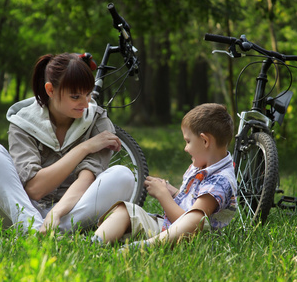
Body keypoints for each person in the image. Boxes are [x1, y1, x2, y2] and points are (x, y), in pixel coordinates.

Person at [0, 52, 134, 235]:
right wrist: (85, 147)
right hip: (22, 210)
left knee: (124, 175)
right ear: (50, 90)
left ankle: (45, 233)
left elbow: (86, 178)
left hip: (69, 212)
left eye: (88, 94)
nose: (85, 103)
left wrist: (56, 213)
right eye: (75, 97)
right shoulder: (23, 122)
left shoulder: (97, 120)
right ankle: (33, 229)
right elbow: (35, 189)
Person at [92, 103, 237, 248]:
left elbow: (191, 222)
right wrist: (171, 191)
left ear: (205, 141)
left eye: (188, 141)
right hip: (167, 227)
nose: (185, 148)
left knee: (195, 218)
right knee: (127, 211)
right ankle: (96, 243)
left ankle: (146, 246)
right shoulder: (203, 166)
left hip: (187, 238)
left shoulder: (220, 180)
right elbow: (190, 202)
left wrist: (163, 195)